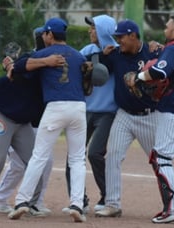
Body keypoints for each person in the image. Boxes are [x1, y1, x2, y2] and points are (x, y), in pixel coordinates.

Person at [7, 17, 88, 223]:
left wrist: (14, 65)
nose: (43, 36)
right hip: (78, 107)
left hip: (56, 107)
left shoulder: (43, 53)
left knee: (39, 156)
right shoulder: (78, 56)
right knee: (78, 159)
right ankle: (77, 204)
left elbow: (20, 67)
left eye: (45, 33)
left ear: (50, 35)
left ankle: (22, 201)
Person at [127, 15, 174, 223]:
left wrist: (139, 76)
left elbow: (159, 72)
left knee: (160, 158)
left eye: (167, 27)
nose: (165, 30)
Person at [0, 27, 55, 217]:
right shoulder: (29, 59)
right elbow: (21, 68)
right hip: (0, 113)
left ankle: (33, 203)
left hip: (22, 121)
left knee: (39, 161)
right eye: (49, 36)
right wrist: (12, 66)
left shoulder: (55, 64)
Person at [94, 19, 160, 218]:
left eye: (121, 37)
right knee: (113, 155)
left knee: (159, 161)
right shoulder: (114, 55)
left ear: (133, 35)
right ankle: (112, 203)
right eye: (116, 37)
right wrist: (101, 56)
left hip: (149, 116)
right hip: (124, 115)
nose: (118, 41)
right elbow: (95, 68)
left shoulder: (152, 52)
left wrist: (161, 48)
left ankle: (173, 203)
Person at [62, 14, 118, 214]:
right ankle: (79, 200)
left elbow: (111, 66)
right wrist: (100, 56)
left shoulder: (118, 53)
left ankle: (108, 196)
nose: (89, 31)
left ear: (104, 31)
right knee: (73, 157)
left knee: (95, 153)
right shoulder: (88, 50)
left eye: (94, 27)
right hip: (85, 111)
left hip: (108, 113)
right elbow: (76, 65)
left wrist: (106, 57)